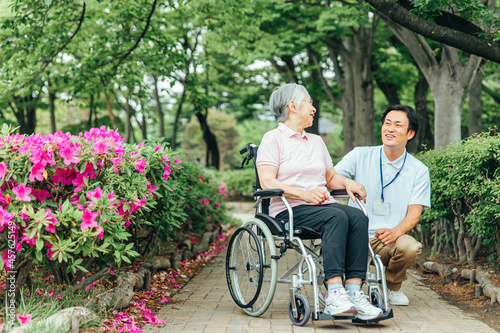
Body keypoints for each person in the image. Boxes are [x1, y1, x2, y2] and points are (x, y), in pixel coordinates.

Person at [256, 83, 383, 320]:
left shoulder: (315, 141)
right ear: (292, 106)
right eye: (309, 102)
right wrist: (304, 194)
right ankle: (335, 291)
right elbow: (267, 181)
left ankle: (354, 291)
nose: (313, 108)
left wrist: (348, 183)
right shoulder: (272, 139)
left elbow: (329, 178)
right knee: (336, 216)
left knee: (356, 216)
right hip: (288, 209)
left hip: (319, 207)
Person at [334, 104, 431, 306]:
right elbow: (330, 178)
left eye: (397, 125)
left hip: (386, 238)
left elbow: (414, 214)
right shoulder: (359, 155)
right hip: (353, 233)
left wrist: (395, 232)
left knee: (410, 247)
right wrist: (346, 182)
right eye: (387, 123)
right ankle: (345, 290)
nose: (390, 129)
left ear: (410, 133)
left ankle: (392, 287)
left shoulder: (419, 170)